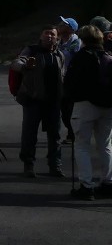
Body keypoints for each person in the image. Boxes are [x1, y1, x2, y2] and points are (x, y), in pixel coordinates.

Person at [63, 25, 112, 200]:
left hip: (85, 104)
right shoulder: (107, 57)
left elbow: (69, 83)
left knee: (82, 145)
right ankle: (108, 182)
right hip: (107, 106)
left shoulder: (81, 57)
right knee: (105, 145)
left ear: (83, 39)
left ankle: (86, 185)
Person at [10, 26, 65, 178]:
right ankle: (28, 165)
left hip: (53, 101)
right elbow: (16, 63)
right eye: (46, 33)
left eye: (52, 34)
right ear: (41, 36)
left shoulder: (60, 54)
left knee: (55, 136)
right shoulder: (31, 50)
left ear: (57, 38)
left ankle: (55, 165)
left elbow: (63, 75)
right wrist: (25, 66)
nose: (49, 36)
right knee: (29, 135)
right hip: (33, 100)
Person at [57, 16, 82, 142]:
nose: (60, 25)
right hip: (59, 80)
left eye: (63, 24)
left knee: (69, 110)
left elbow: (72, 58)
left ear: (70, 29)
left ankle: (74, 134)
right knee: (63, 111)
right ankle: (71, 133)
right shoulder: (58, 41)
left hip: (71, 81)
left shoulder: (76, 42)